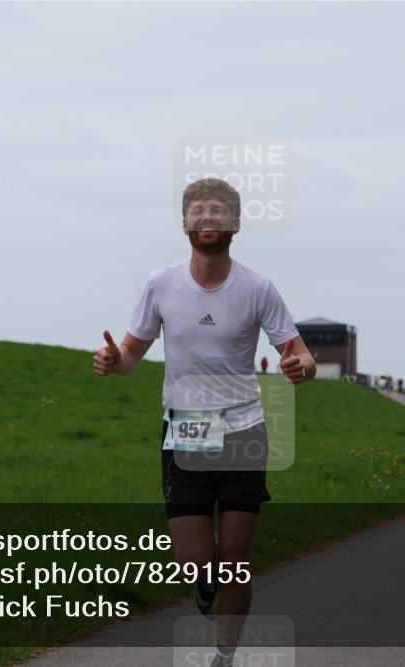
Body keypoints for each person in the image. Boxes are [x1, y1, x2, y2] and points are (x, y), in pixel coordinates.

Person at [93, 178, 315, 667]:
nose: (207, 216)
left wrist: (301, 366)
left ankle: (224, 654)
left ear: (235, 225)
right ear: (184, 224)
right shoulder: (161, 284)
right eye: (198, 210)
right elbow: (131, 354)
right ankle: (203, 582)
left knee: (235, 561)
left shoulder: (258, 287)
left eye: (218, 210)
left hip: (243, 432)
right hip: (186, 432)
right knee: (196, 564)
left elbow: (299, 353)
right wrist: (113, 360)